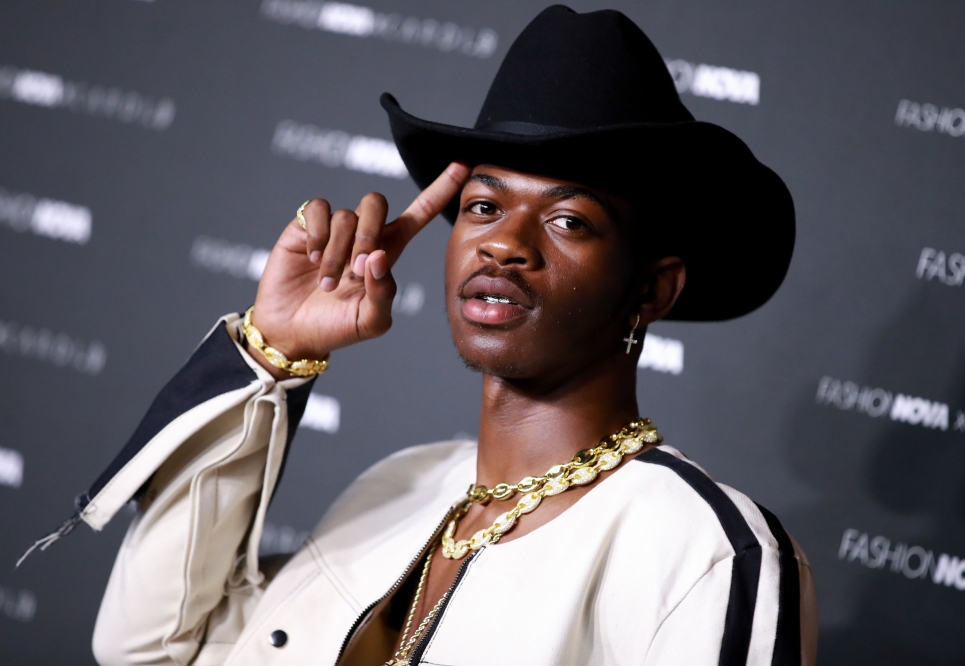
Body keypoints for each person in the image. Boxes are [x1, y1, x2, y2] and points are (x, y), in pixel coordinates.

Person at [31, 6, 816, 665]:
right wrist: (270, 355)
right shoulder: (398, 485)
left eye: (570, 219)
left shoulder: (706, 549)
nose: (504, 242)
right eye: (482, 206)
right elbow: (150, 649)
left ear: (651, 289)